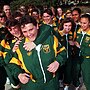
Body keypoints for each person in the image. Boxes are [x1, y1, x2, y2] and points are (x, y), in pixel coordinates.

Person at [8, 15, 66, 90]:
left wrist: (58, 62)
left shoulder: (50, 39)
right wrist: (19, 74)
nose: (29, 34)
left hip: (51, 83)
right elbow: (13, 63)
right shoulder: (19, 46)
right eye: (25, 32)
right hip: (31, 85)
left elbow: (63, 52)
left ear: (37, 26)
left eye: (31, 29)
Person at [59, 18, 80, 90]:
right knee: (60, 71)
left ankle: (66, 85)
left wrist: (73, 43)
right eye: (66, 25)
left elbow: (75, 42)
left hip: (69, 57)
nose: (68, 27)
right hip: (61, 58)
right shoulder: (59, 34)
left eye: (69, 26)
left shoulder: (72, 33)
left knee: (68, 72)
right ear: (63, 25)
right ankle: (60, 82)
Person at [75, 14, 90, 90]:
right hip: (78, 57)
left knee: (87, 78)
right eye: (81, 22)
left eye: (85, 23)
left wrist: (80, 47)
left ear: (89, 23)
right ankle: (77, 85)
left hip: (87, 59)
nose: (82, 25)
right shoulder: (79, 31)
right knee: (75, 73)